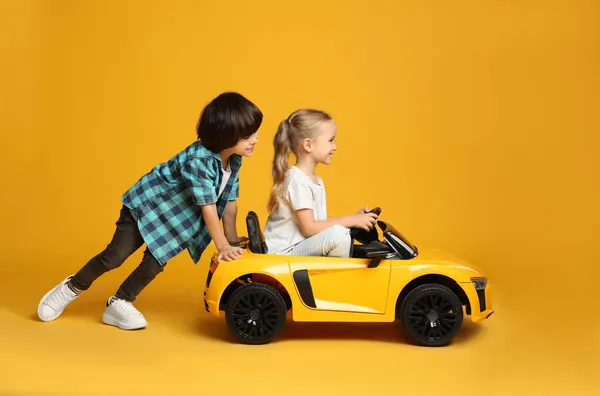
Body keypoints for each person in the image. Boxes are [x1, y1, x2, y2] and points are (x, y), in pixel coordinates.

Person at [37, 92, 262, 330]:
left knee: (153, 265)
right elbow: (207, 208)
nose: (255, 140)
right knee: (115, 256)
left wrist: (232, 238)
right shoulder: (199, 161)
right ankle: (73, 286)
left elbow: (228, 202)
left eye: (255, 133)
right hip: (146, 210)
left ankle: (120, 301)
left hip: (172, 223)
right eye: (248, 136)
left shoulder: (234, 161)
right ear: (224, 136)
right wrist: (222, 247)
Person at [263, 109, 378, 258]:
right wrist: (350, 221)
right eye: (330, 140)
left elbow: (318, 224)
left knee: (339, 232)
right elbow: (309, 228)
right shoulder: (297, 180)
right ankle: (333, 280)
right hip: (283, 253)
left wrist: (354, 219)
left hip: (298, 248)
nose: (335, 147)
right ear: (308, 145)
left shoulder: (315, 180)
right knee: (339, 235)